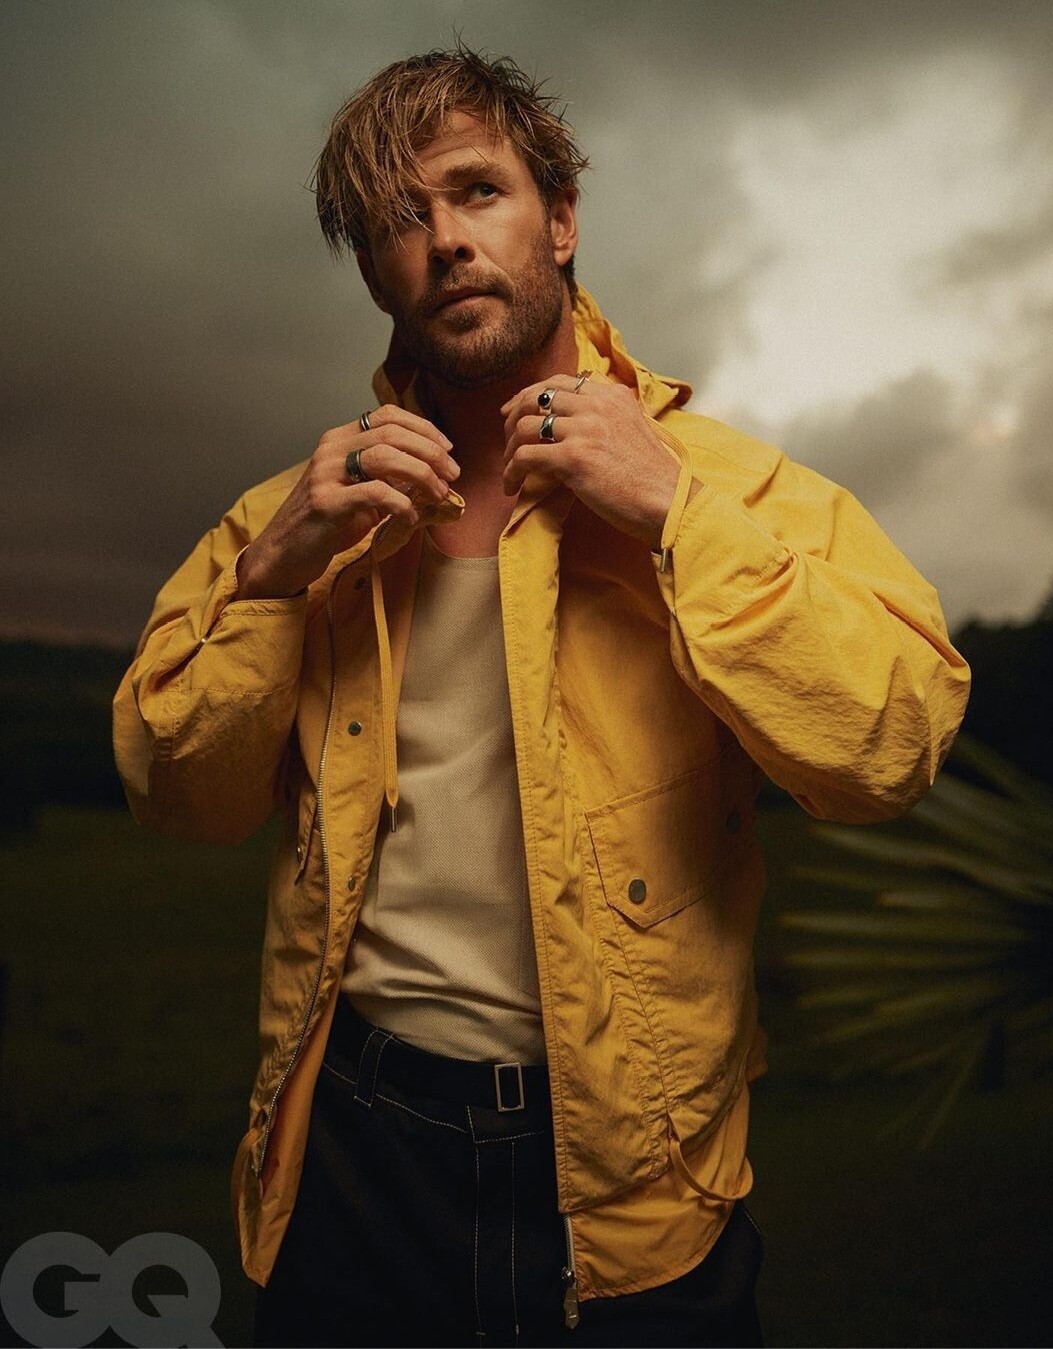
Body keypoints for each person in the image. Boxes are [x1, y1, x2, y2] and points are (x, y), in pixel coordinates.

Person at [112, 46, 970, 1349]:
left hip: (633, 1176)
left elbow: (890, 748)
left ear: (560, 218)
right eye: (399, 220)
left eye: (477, 191)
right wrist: (275, 573)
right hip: (350, 1148)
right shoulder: (291, 520)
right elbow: (179, 795)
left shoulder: (730, 487)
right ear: (374, 274)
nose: (447, 240)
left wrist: (677, 513)